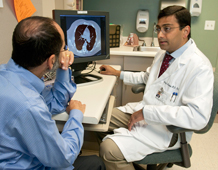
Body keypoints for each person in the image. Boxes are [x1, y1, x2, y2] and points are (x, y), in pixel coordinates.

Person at [98, 5, 214, 170]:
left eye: (167, 29)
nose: (160, 35)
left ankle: (119, 158)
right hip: (143, 113)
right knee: (100, 120)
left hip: (166, 131)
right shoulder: (163, 54)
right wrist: (118, 73)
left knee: (107, 150)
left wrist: (147, 113)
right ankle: (123, 160)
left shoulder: (199, 67)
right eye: (158, 29)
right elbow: (146, 77)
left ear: (185, 31)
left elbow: (198, 117)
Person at [0, 16, 105, 170]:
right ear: (50, 61)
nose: (66, 52)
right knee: (96, 163)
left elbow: (55, 104)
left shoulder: (10, 76)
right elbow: (64, 157)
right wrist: (76, 115)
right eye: (63, 48)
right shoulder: (30, 106)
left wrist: (62, 67)